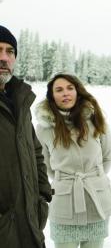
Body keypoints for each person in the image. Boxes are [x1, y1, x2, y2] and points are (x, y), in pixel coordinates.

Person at [35, 73, 111, 248]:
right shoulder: (44, 129)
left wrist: (94, 178)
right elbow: (45, 165)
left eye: (70, 88)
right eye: (59, 90)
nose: (65, 93)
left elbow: (108, 156)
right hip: (64, 205)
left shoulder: (96, 119)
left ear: (78, 92)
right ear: (52, 96)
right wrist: (66, 181)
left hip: (96, 202)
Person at [0, 25, 52, 248]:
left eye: (10, 51)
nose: (4, 58)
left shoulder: (20, 102)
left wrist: (42, 195)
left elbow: (36, 151)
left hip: (30, 227)